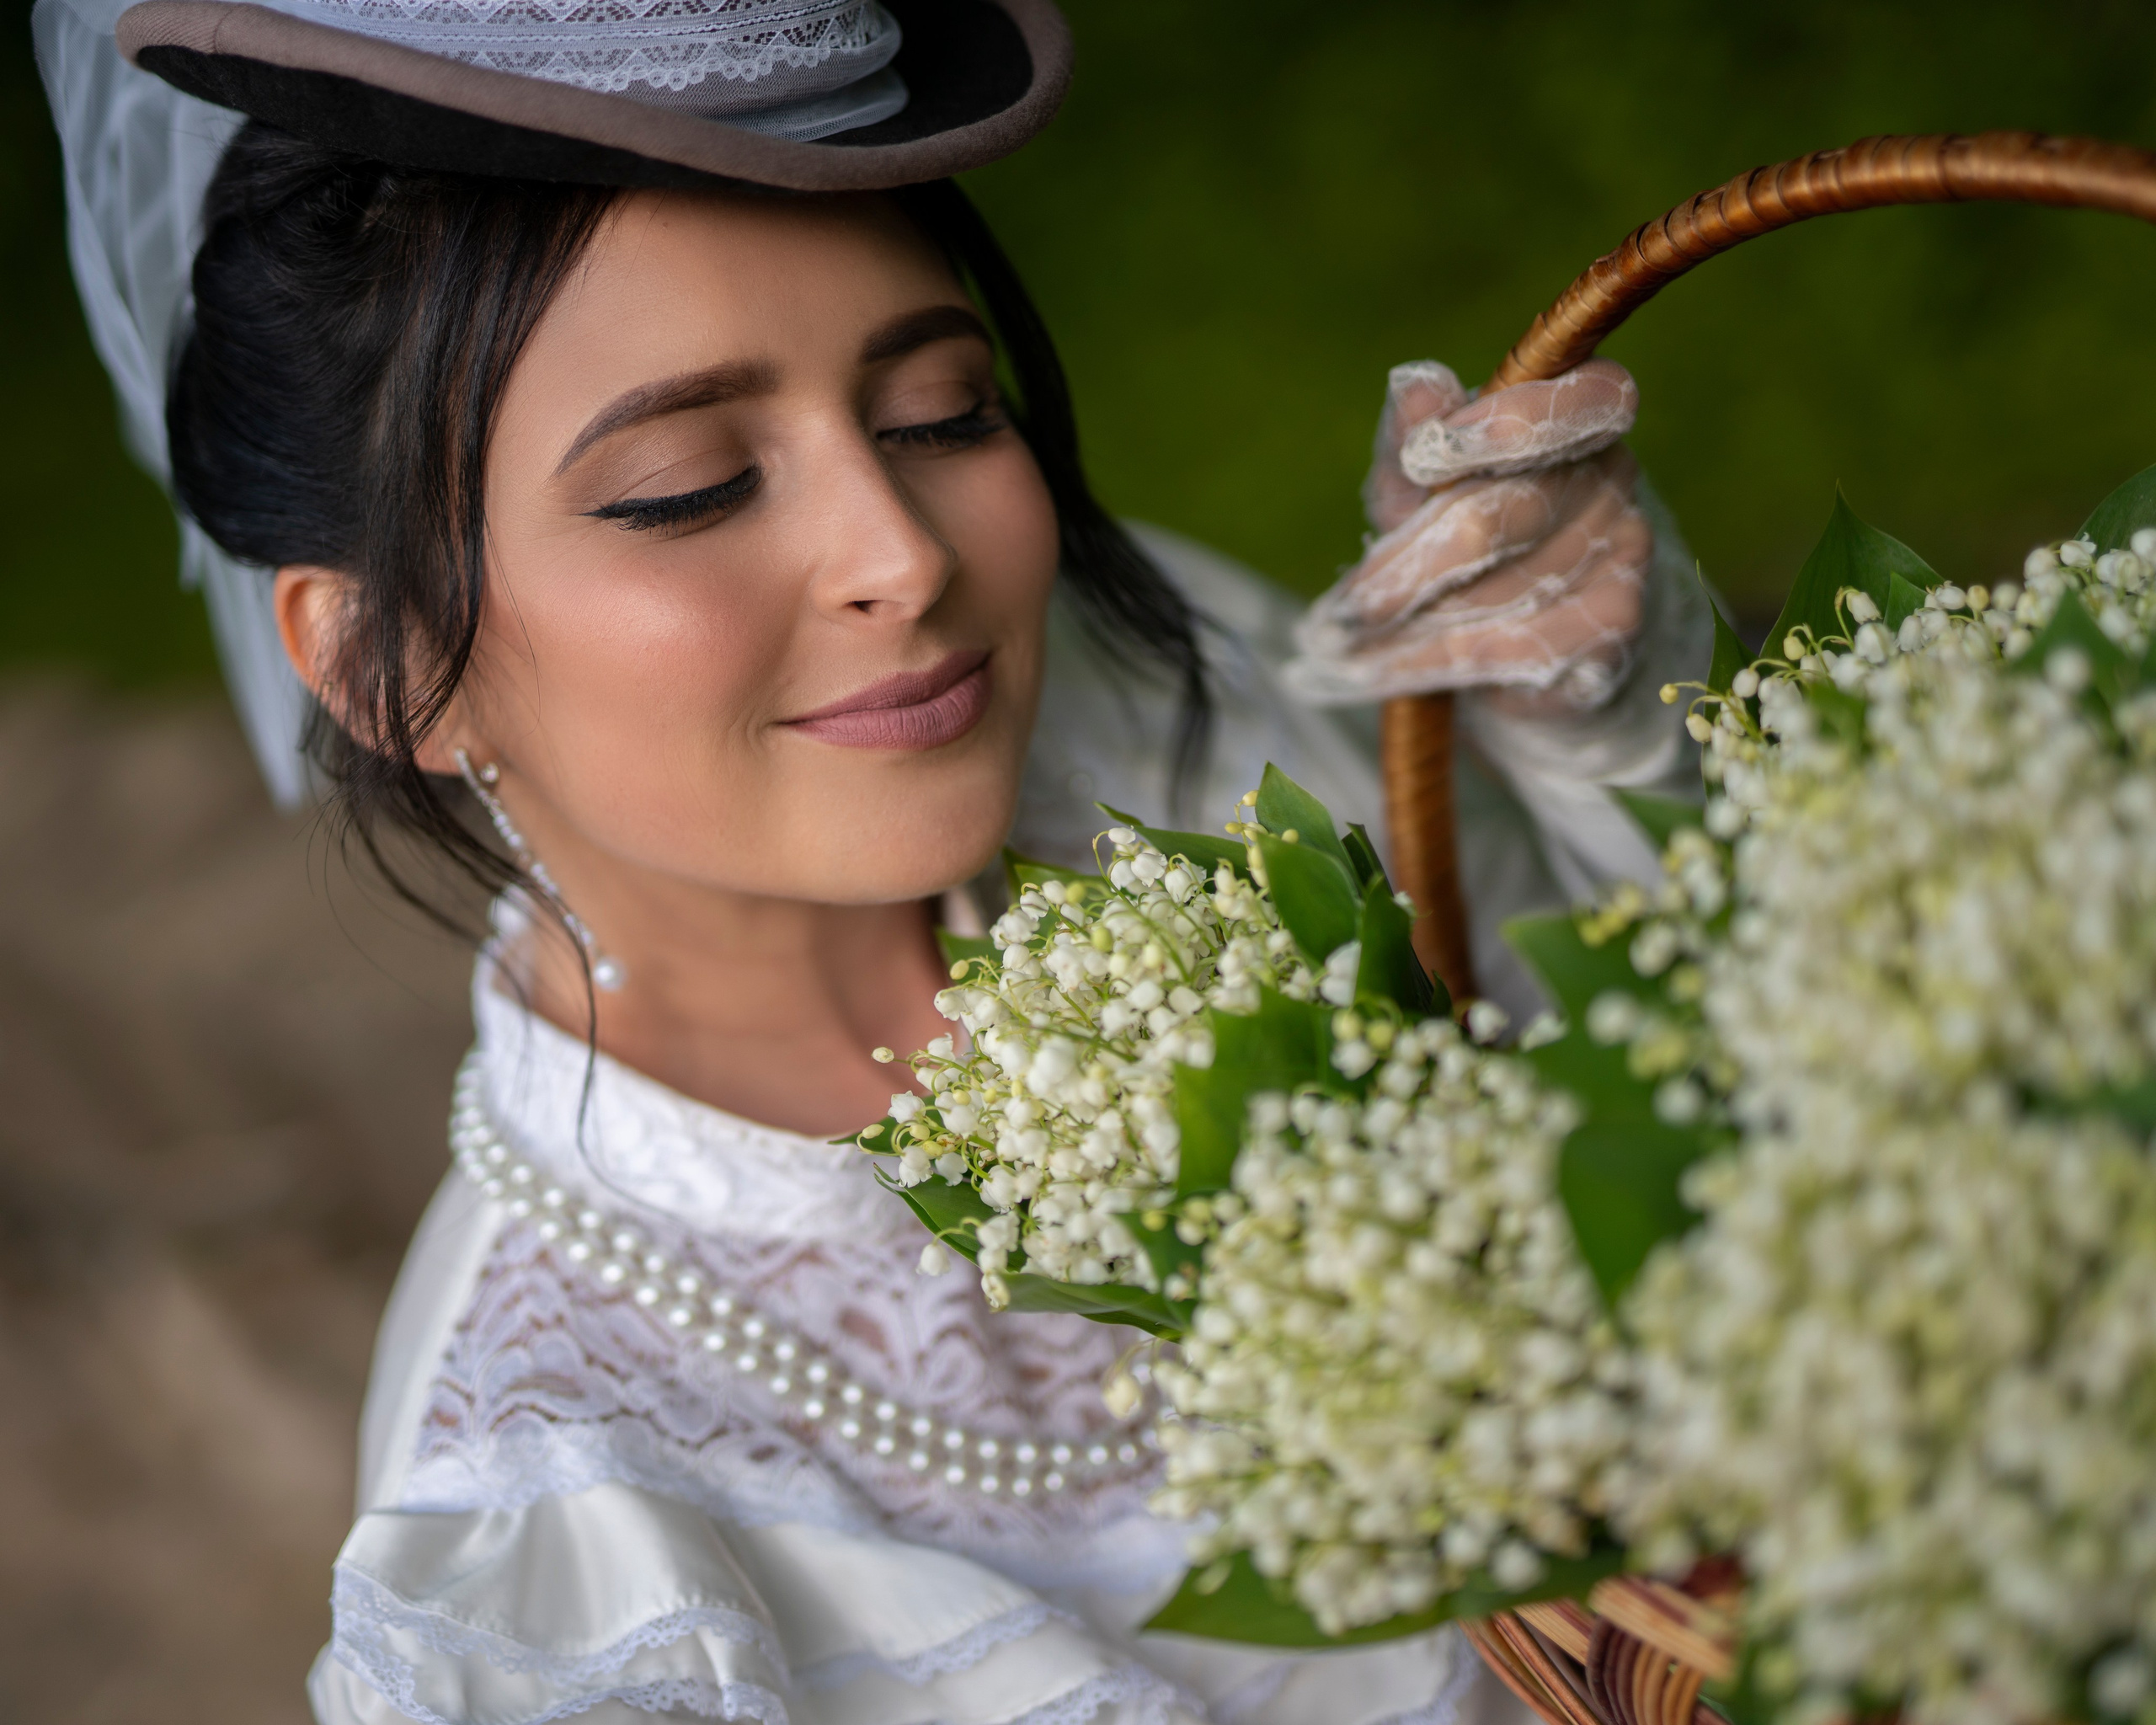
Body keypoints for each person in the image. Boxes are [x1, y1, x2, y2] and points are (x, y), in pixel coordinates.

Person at [35, 2, 1707, 1721]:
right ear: (392, 663)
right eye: (686, 487)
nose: (899, 557)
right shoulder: (556, 1575)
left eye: (937, 411)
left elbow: (1702, 1094)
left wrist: (1592, 737)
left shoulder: (1153, 715)